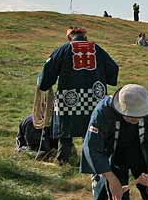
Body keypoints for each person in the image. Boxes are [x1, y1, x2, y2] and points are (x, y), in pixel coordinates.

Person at [37, 27, 119, 165]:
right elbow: (113, 68)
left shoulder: (63, 50)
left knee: (66, 128)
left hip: (69, 98)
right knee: (92, 126)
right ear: (84, 36)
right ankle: (92, 160)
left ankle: (64, 159)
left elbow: (49, 69)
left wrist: (43, 83)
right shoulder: (97, 49)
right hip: (94, 98)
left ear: (69, 37)